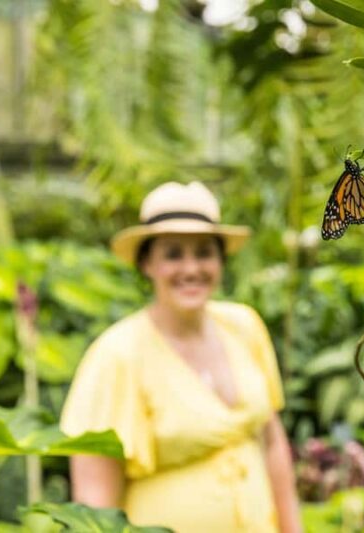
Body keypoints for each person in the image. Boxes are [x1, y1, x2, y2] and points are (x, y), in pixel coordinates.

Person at [60, 181, 302, 533]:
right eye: (173, 254)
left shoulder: (244, 326)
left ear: (220, 260)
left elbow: (272, 441)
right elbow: (94, 501)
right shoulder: (117, 354)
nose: (191, 269)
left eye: (204, 253)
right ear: (147, 263)